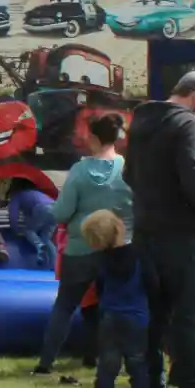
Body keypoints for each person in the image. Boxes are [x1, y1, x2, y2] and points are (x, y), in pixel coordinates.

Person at [124, 70, 195, 388]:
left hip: (147, 232)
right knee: (190, 318)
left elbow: (128, 174)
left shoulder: (140, 121)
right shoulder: (189, 125)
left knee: (153, 318)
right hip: (186, 235)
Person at [37, 112, 131, 374]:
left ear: (93, 137)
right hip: (117, 249)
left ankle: (46, 362)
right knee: (110, 307)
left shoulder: (79, 171)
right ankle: (107, 359)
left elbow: (61, 213)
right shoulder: (127, 169)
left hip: (80, 248)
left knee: (65, 305)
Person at [81, 209, 152, 388]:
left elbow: (100, 287)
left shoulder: (101, 261)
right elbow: (152, 283)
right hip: (137, 317)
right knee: (137, 361)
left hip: (110, 317)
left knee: (108, 363)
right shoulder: (139, 255)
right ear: (119, 228)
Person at [6, 178, 57, 270]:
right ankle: (55, 266)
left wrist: (16, 230)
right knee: (46, 238)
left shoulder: (17, 196)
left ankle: (39, 246)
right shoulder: (36, 193)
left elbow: (13, 215)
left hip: (42, 209)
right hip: (56, 209)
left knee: (28, 230)